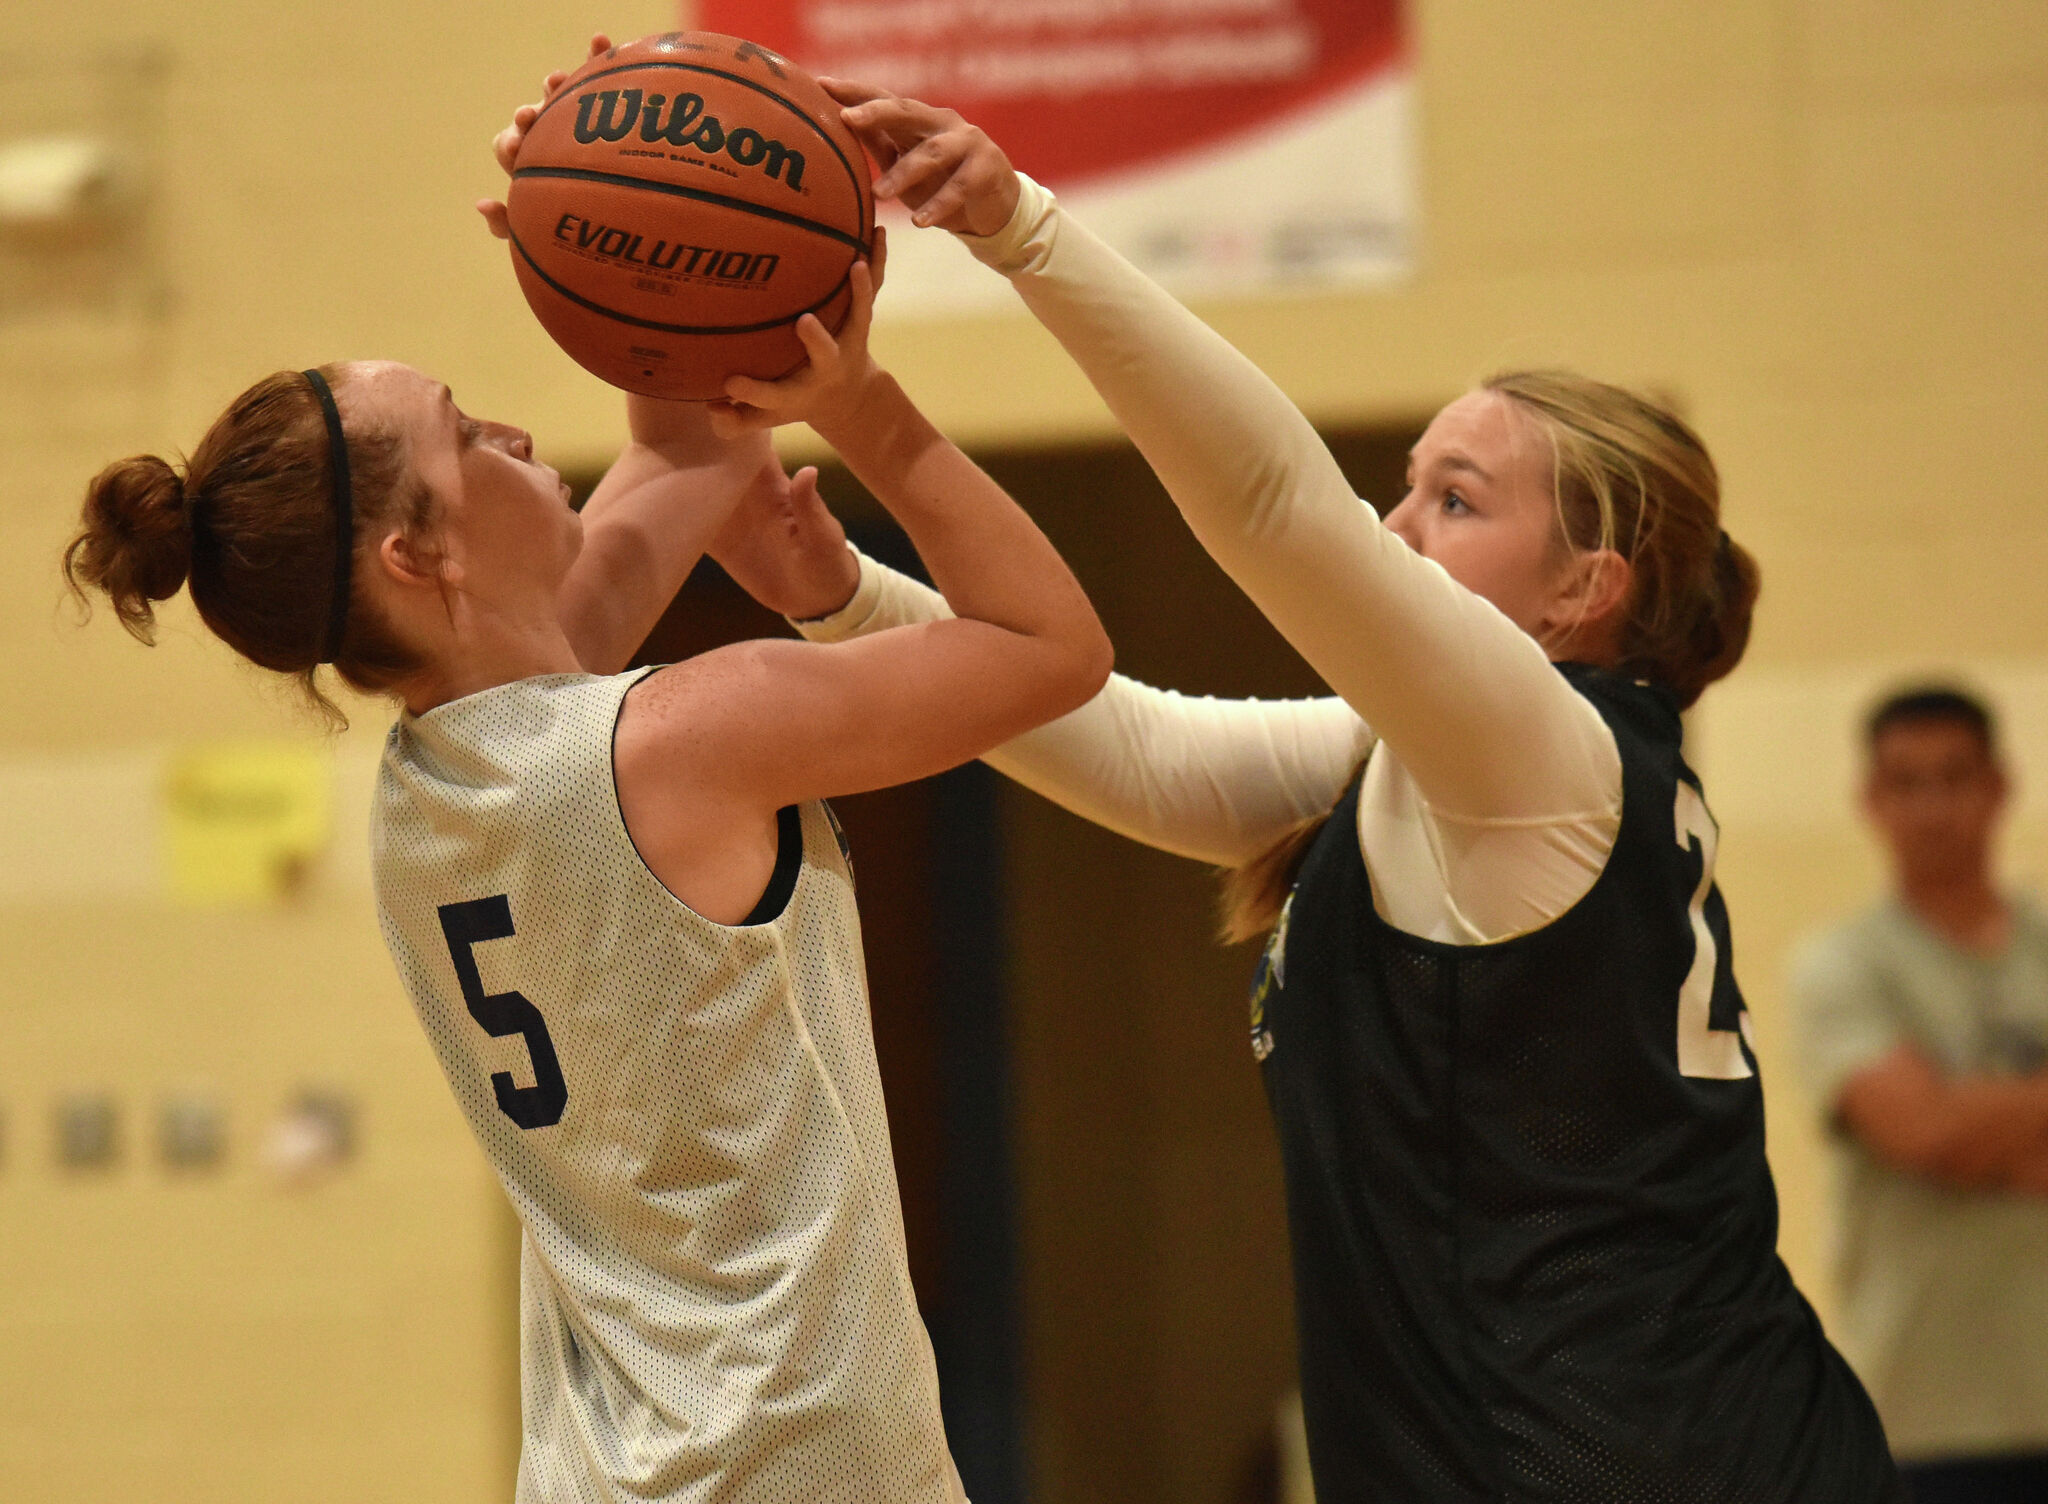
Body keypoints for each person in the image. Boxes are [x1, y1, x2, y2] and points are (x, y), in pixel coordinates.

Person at [704, 86, 1903, 1501]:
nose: (1396, 527)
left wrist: (1019, 230)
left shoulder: (1543, 759)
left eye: (1455, 501)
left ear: (1587, 589)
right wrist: (843, 595)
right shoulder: (1454, 764)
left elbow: (1280, 511)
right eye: (1407, 490)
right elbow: (1130, 746)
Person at [60, 65, 1112, 1503]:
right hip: (795, 1462)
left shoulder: (438, 787)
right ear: (418, 558)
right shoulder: (682, 738)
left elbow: (692, 438)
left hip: (613, 1470)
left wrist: (621, 239)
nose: (510, 431)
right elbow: (1052, 649)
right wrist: (863, 404)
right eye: (462, 430)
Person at [1791, 687, 2048, 1502]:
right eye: (1907, 783)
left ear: (1999, 787)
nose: (1933, 808)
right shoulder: (1841, 966)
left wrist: (1974, 1135)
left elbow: (1947, 1134)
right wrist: (1953, 1135)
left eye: (1954, 778)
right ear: (1871, 799)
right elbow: (1921, 1133)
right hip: (1925, 1417)